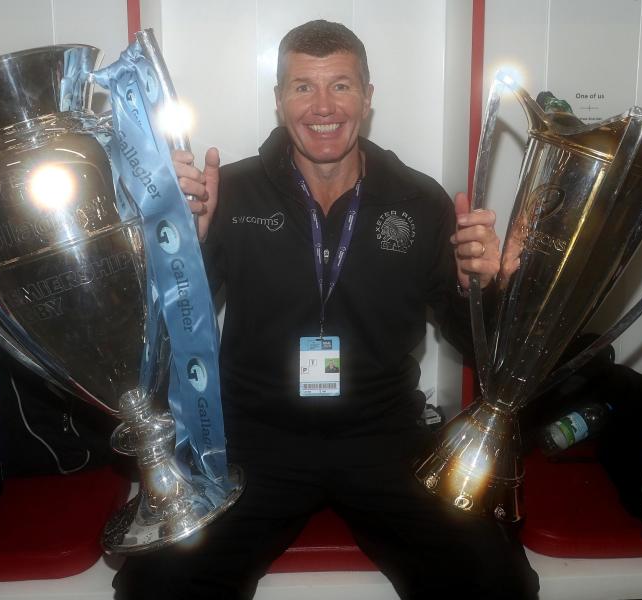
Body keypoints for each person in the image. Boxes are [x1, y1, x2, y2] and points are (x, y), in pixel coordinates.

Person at [113, 19, 539, 600]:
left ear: (367, 98)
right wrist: (186, 250)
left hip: (384, 436)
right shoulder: (228, 193)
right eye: (302, 87)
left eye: (340, 85)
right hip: (255, 439)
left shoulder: (421, 201)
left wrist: (483, 290)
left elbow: (480, 353)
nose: (322, 106)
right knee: (158, 585)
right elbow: (167, 342)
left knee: (496, 581)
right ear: (279, 100)